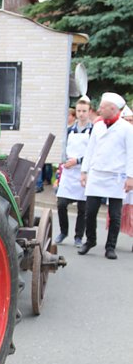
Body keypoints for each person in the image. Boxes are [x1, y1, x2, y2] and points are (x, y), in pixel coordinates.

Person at [78, 92, 133, 259]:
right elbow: (90, 149)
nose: (99, 109)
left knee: (115, 215)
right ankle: (91, 240)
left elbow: (131, 154)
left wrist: (130, 177)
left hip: (116, 176)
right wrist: (84, 171)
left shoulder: (127, 128)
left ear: (113, 109)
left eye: (102, 107)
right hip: (96, 173)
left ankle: (110, 246)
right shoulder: (98, 126)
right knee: (90, 211)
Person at [55, 96, 92, 246]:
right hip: (68, 173)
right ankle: (63, 232)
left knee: (83, 208)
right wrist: (64, 161)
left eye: (84, 111)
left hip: (84, 172)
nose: (81, 114)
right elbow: (61, 149)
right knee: (61, 204)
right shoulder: (69, 130)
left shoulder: (93, 131)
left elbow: (94, 153)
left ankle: (78, 236)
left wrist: (78, 161)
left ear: (89, 112)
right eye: (78, 111)